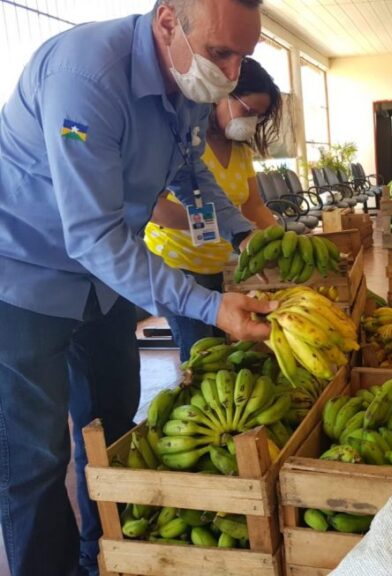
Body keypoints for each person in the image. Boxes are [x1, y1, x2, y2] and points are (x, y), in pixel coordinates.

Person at [0, 1, 276, 574]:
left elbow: (189, 171)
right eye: (221, 52)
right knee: (33, 457)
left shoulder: (187, 83)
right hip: (24, 276)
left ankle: (101, 556)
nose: (229, 73)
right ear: (169, 21)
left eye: (242, 57)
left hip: (101, 285)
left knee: (113, 423)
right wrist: (208, 305)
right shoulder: (86, 77)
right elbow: (93, 235)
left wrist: (245, 233)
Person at [145, 57, 281, 361]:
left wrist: (277, 241)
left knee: (219, 348)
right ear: (221, 95)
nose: (252, 121)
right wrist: (208, 223)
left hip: (212, 264)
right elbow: (154, 207)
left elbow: (253, 205)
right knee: (201, 354)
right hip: (176, 263)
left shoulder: (241, 152)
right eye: (248, 111)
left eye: (259, 116)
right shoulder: (186, 144)